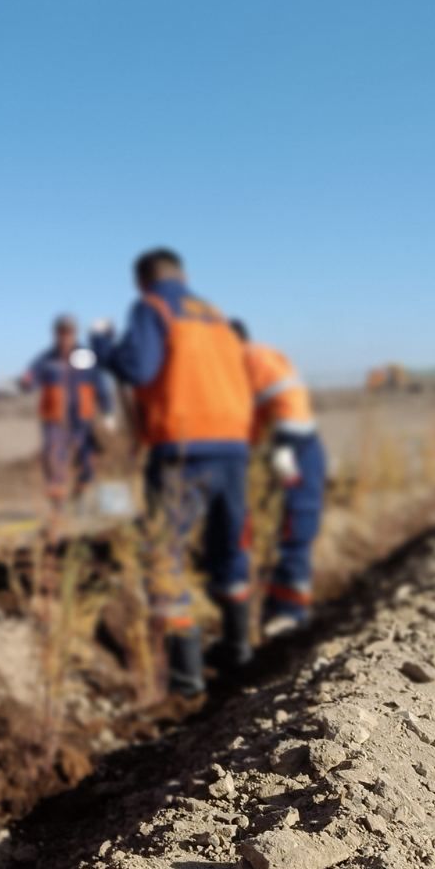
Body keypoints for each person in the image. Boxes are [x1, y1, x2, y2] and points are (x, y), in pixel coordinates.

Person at [90, 248, 254, 695]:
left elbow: (138, 369)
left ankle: (185, 677)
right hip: (234, 447)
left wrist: (104, 346)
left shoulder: (153, 306)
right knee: (229, 547)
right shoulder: (215, 316)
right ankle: (240, 652)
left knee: (167, 554)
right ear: (183, 274)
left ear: (143, 280)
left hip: (183, 451)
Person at [232, 319, 327, 637]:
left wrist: (284, 447)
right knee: (278, 531)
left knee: (296, 526)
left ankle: (291, 614)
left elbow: (291, 401)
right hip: (280, 453)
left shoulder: (253, 357)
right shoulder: (243, 365)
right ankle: (277, 611)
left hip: (296, 451)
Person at [18, 313, 114, 500]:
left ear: (75, 334)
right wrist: (26, 381)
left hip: (82, 421)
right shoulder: (46, 359)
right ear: (55, 334)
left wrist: (108, 411)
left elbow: (100, 383)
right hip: (55, 422)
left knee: (88, 464)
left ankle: (79, 497)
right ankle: (58, 508)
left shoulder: (84, 357)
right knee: (54, 461)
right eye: (61, 333)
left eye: (68, 333)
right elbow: (30, 379)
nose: (65, 337)